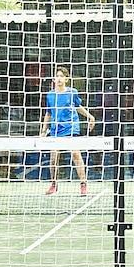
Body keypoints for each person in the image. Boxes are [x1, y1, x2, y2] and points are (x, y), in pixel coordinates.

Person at [42, 65, 95, 195]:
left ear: (66, 79)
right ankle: (54, 184)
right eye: (57, 76)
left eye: (62, 76)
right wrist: (43, 131)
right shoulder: (50, 95)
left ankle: (83, 184)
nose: (59, 78)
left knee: (76, 153)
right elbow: (48, 113)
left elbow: (78, 106)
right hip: (56, 130)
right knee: (53, 157)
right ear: (54, 79)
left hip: (71, 128)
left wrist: (90, 116)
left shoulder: (72, 92)